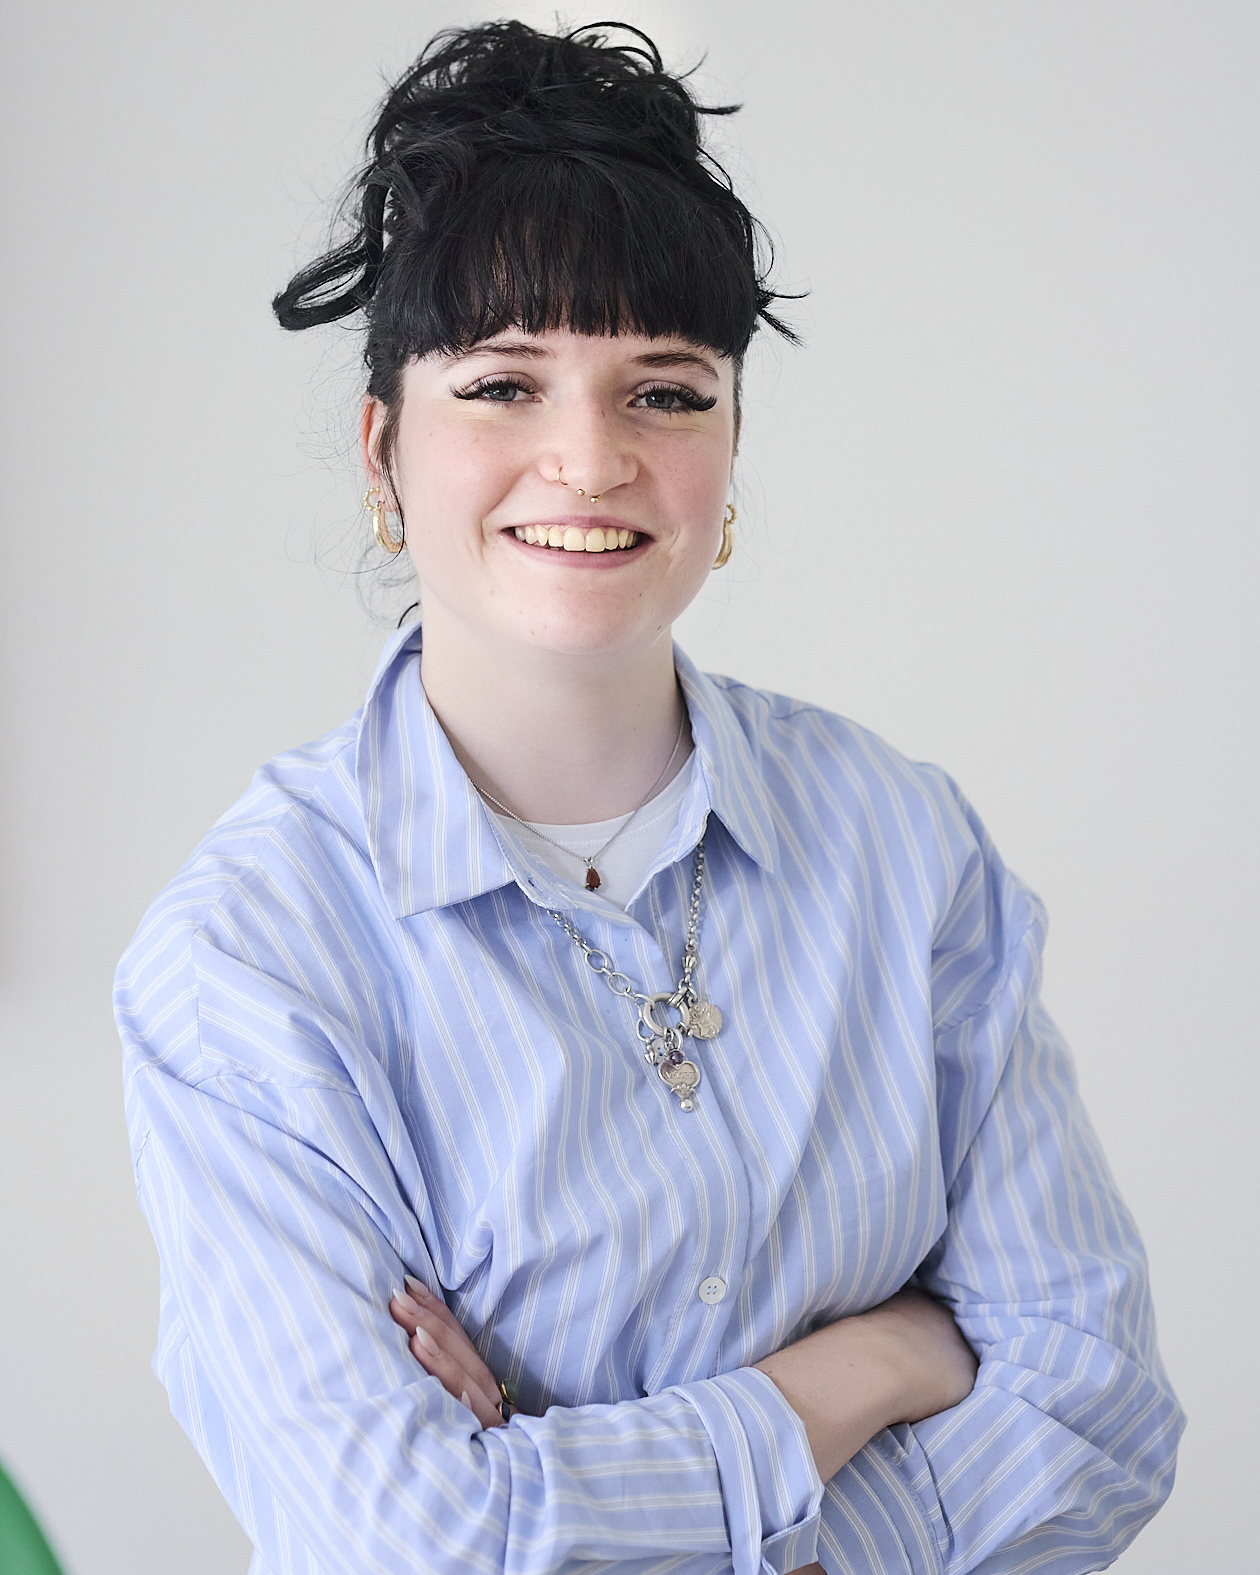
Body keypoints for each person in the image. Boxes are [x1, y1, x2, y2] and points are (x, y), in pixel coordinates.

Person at [115, 21, 1183, 1575]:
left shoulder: (903, 844)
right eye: (503, 383)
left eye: (666, 393)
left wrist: (563, 1487)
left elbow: (1096, 1416)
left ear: (731, 445)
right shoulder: (247, 966)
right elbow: (409, 1542)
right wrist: (868, 1370)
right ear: (384, 451)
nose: (590, 457)